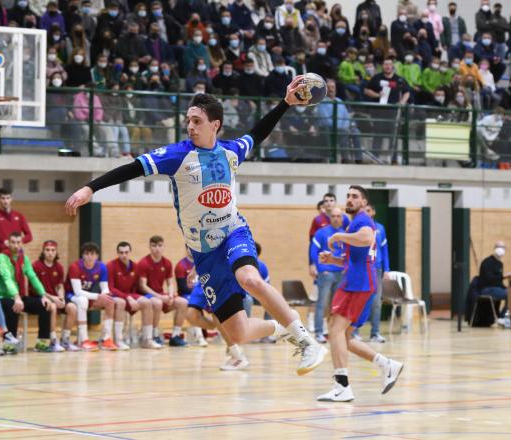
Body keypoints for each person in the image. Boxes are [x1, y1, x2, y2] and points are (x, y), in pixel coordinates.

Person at [65, 75, 328, 376]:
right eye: (188, 120)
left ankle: (307, 342)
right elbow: (133, 168)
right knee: (238, 333)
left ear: (214, 124)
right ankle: (285, 327)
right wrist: (91, 188)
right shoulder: (178, 155)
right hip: (204, 254)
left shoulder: (232, 151)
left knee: (250, 279)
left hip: (233, 231)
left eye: (197, 120)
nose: (190, 126)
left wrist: (285, 104)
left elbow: (258, 132)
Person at [316, 185, 403, 402]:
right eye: (348, 196)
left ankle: (342, 386)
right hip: (359, 280)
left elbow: (366, 239)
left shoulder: (363, 220)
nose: (350, 199)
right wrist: (333, 259)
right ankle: (387, 365)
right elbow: (352, 258)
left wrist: (338, 235)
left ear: (364, 202)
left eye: (355, 196)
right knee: (345, 337)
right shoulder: (354, 223)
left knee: (334, 329)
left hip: (358, 283)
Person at [0, 232, 60, 352]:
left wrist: (43, 295)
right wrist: (16, 297)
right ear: (8, 243)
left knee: (44, 305)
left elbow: (32, 276)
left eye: (18, 242)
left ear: (22, 243)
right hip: (4, 296)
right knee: (13, 305)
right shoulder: (2, 257)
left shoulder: (24, 259)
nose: (16, 245)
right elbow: (6, 278)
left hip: (19, 295)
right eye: (13, 242)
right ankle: (9, 343)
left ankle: (42, 342)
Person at [67, 242, 128, 351]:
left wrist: (105, 294)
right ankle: (84, 340)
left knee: (110, 301)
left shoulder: (101, 267)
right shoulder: (75, 267)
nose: (89, 256)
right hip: (72, 295)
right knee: (82, 300)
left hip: (89, 296)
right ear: (83, 255)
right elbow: (77, 291)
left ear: (97, 256)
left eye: (92, 254)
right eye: (87, 254)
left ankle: (106, 339)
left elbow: (104, 287)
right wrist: (98, 295)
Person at [186, 272, 250, 370]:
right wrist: (194, 270)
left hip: (218, 273)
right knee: (191, 316)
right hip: (203, 277)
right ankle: (223, 328)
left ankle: (237, 356)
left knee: (217, 313)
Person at [107, 241, 161, 349]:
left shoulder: (135, 266)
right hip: (116, 296)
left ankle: (147, 339)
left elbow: (138, 288)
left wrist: (144, 297)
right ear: (117, 253)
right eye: (121, 252)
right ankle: (118, 340)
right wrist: (128, 298)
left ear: (130, 252)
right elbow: (111, 288)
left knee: (147, 303)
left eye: (126, 252)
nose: (124, 255)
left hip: (130, 295)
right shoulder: (110, 266)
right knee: (121, 303)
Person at [137, 235, 188, 347]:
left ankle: (175, 336)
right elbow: (143, 286)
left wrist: (170, 295)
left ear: (163, 246)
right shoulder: (144, 263)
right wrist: (161, 297)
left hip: (161, 294)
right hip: (146, 295)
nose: (157, 248)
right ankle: (154, 335)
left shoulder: (167, 263)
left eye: (160, 245)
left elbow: (170, 283)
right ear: (150, 247)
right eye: (154, 246)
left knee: (183, 302)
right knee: (157, 303)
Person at [32, 240, 79, 351]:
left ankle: (65, 340)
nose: (50, 253)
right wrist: (53, 298)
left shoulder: (59, 267)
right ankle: (53, 341)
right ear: (43, 252)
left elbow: (59, 285)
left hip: (55, 297)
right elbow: (36, 289)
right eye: (47, 250)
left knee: (72, 307)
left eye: (53, 250)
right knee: (52, 307)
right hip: (41, 297)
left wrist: (61, 297)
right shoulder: (36, 266)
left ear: (56, 252)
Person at [352, 204, 389, 343]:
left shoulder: (380, 229)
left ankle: (375, 333)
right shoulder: (357, 227)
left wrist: (387, 269)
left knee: (376, 303)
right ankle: (354, 332)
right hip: (361, 268)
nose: (366, 213)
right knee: (359, 301)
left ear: (373, 212)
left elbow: (384, 250)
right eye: (364, 211)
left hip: (376, 269)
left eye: (368, 210)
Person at [363, 58, 410, 163]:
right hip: (379, 111)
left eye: (389, 64)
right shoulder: (376, 78)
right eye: (385, 64)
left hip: (393, 112)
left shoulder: (399, 79)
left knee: (393, 136)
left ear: (393, 66)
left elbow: (407, 92)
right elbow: (366, 90)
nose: (388, 66)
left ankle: (393, 159)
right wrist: (377, 95)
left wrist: (402, 101)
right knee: (378, 135)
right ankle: (374, 158)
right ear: (382, 66)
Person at [309, 207, 345, 343]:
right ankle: (319, 332)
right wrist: (320, 268)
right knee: (321, 303)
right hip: (326, 273)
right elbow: (314, 251)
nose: (336, 218)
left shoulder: (344, 234)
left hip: (340, 274)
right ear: (330, 218)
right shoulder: (321, 233)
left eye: (339, 216)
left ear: (342, 218)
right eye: (334, 216)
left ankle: (333, 331)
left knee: (336, 305)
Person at [478, 240, 511, 323]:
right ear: (494, 248)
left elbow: (499, 282)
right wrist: (504, 276)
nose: (501, 249)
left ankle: (502, 316)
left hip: (496, 288)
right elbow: (489, 279)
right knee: (510, 294)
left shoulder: (500, 264)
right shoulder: (487, 262)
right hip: (487, 288)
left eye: (503, 247)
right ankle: (502, 318)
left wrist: (507, 288)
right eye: (499, 247)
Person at [0, 188, 32, 254]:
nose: (5, 201)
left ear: (11, 199)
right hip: (2, 254)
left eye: (8, 198)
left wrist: (17, 242)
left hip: (18, 254)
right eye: (3, 198)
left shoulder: (20, 216)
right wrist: (4, 241)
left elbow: (29, 236)